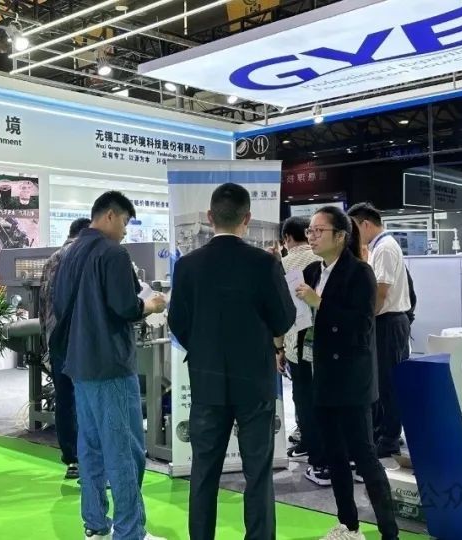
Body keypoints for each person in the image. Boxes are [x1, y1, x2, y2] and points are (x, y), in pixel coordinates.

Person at [168, 183, 295, 540]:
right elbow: (283, 318)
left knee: (203, 473)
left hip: (206, 380)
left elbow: (177, 321)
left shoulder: (188, 265)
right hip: (255, 381)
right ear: (247, 218)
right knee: (258, 474)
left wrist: (203, 347)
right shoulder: (264, 263)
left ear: (210, 217)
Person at [51, 191, 168, 540]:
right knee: (125, 451)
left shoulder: (68, 253)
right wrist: (152, 305)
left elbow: (60, 305)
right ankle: (130, 531)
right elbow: (126, 306)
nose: (125, 231)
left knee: (91, 447)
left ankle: (96, 523)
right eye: (126, 223)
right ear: (111, 216)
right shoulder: (113, 253)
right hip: (111, 364)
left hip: (79, 362)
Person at [295, 206, 399, 540]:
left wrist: (319, 303)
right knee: (334, 456)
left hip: (352, 377)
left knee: (364, 456)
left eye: (318, 231)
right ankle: (348, 526)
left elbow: (360, 324)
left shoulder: (360, 273)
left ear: (340, 236)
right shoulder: (312, 271)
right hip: (321, 372)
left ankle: (389, 531)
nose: (312, 237)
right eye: (309, 231)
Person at [348, 203, 410, 458]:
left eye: (354, 227)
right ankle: (385, 432)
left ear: (365, 224)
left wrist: (364, 320)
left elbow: (381, 293)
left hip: (388, 322)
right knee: (382, 380)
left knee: (388, 383)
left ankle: (389, 438)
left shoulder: (384, 248)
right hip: (388, 322)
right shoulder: (379, 247)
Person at [38, 216, 92, 480]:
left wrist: (46, 339)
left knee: (65, 398)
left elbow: (42, 304)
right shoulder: (84, 257)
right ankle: (90, 458)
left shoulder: (51, 260)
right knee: (88, 398)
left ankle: (72, 459)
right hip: (81, 339)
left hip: (56, 339)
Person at [277, 216, 320, 459]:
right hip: (326, 338)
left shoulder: (283, 264)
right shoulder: (323, 259)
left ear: (287, 238)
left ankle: (308, 442)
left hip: (296, 339)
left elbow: (280, 310)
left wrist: (279, 348)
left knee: (302, 393)